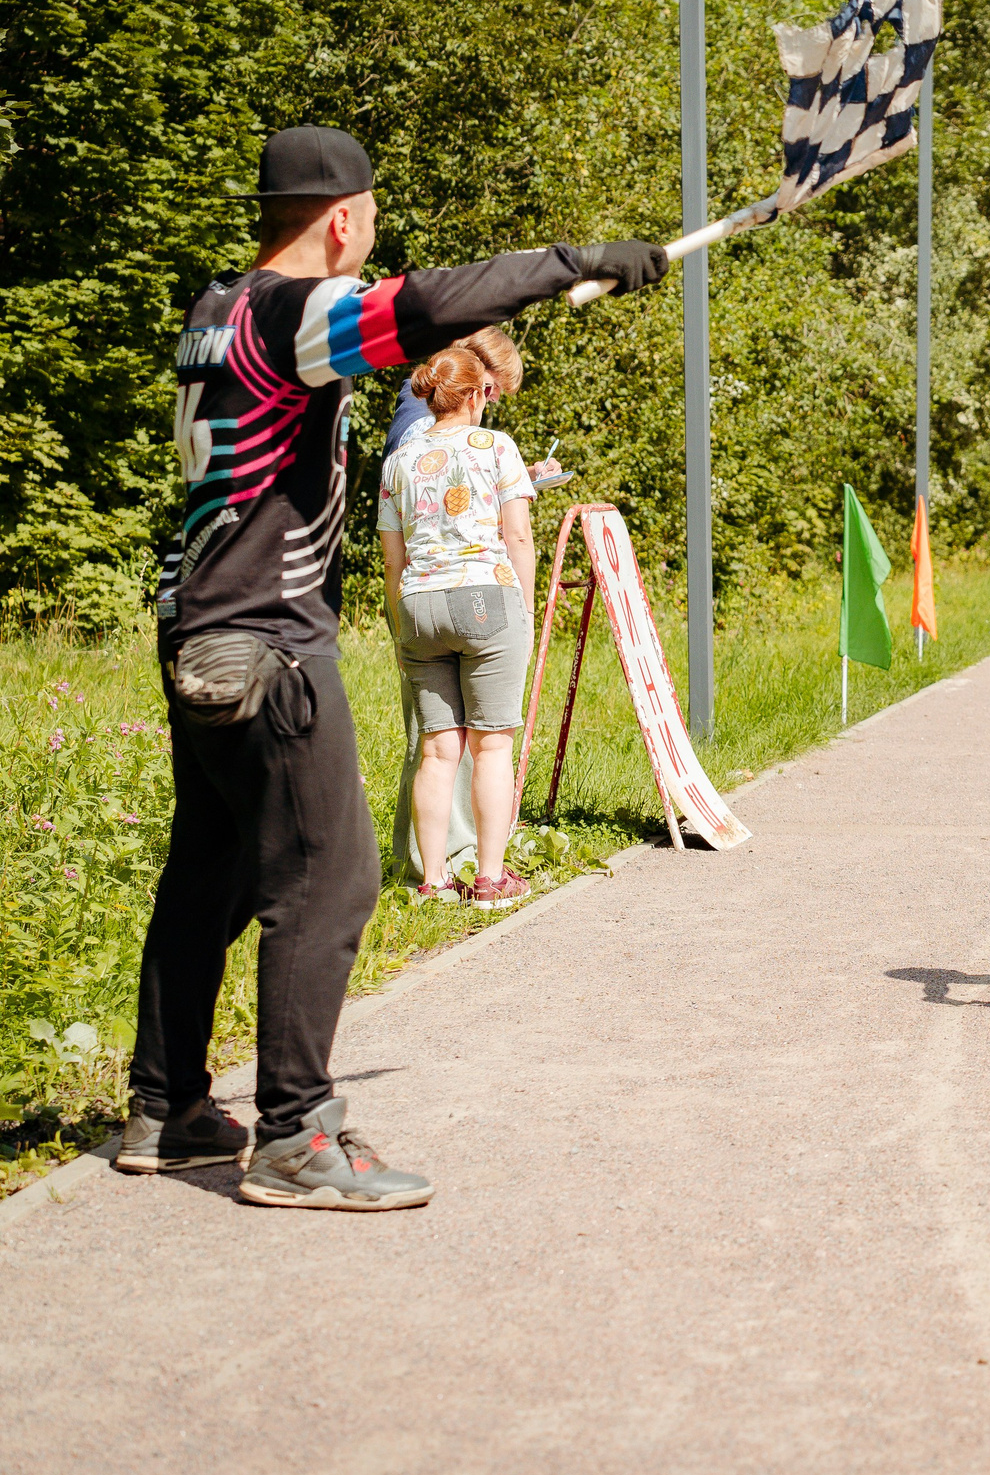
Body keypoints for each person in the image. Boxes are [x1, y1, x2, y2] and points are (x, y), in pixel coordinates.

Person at [123, 124, 665, 1205]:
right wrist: (581, 262)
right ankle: (295, 1135)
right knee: (329, 876)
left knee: (214, 873)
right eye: (368, 222)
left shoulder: (214, 308)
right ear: (338, 219)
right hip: (269, 640)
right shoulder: (293, 310)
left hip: (195, 626)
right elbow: (421, 308)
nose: (372, 242)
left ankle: (169, 1106)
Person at [384, 328, 557, 886]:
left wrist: (398, 622)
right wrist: (525, 608)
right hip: (486, 599)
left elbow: (393, 557)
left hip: (418, 605)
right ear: (475, 392)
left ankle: (430, 883)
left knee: (437, 753)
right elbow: (519, 537)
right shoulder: (498, 446)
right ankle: (489, 879)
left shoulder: (401, 460)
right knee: (491, 747)